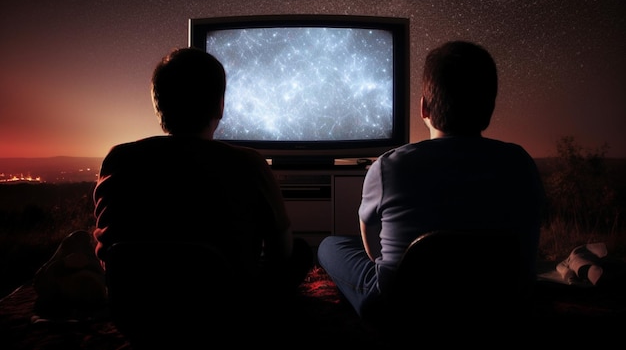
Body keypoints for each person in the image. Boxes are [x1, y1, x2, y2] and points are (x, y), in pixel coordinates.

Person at [92, 47, 313, 341]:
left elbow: (107, 251)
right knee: (301, 251)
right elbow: (281, 252)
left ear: (159, 106)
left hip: (135, 315)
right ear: (220, 106)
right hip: (227, 318)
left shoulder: (117, 159)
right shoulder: (249, 163)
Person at [317, 40, 546, 321]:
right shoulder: (520, 163)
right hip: (501, 307)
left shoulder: (389, 166)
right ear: (489, 109)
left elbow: (370, 245)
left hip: (400, 311)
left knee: (330, 245)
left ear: (424, 108)